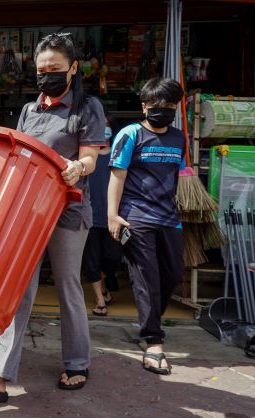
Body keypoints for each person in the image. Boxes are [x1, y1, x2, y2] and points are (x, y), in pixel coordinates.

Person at [0, 33, 106, 402]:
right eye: (41, 70)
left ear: (73, 68)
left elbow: (90, 157)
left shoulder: (87, 108)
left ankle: (76, 362)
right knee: (19, 288)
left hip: (69, 211)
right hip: (29, 213)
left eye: (54, 69)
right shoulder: (29, 111)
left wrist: (77, 167)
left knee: (69, 288)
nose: (47, 76)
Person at [107, 77, 185, 375]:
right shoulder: (130, 134)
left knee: (173, 274)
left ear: (176, 107)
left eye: (169, 106)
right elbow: (118, 176)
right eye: (156, 106)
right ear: (144, 107)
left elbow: (180, 176)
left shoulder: (179, 138)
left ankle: (149, 321)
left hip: (170, 218)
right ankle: (154, 341)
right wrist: (112, 216)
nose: (162, 110)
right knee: (146, 278)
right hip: (136, 217)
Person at [83, 112, 123, 316]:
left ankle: (105, 284)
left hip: (112, 216)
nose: (104, 129)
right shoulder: (87, 155)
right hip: (90, 215)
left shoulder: (118, 153)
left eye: (108, 125)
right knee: (91, 260)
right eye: (101, 125)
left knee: (112, 257)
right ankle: (100, 301)